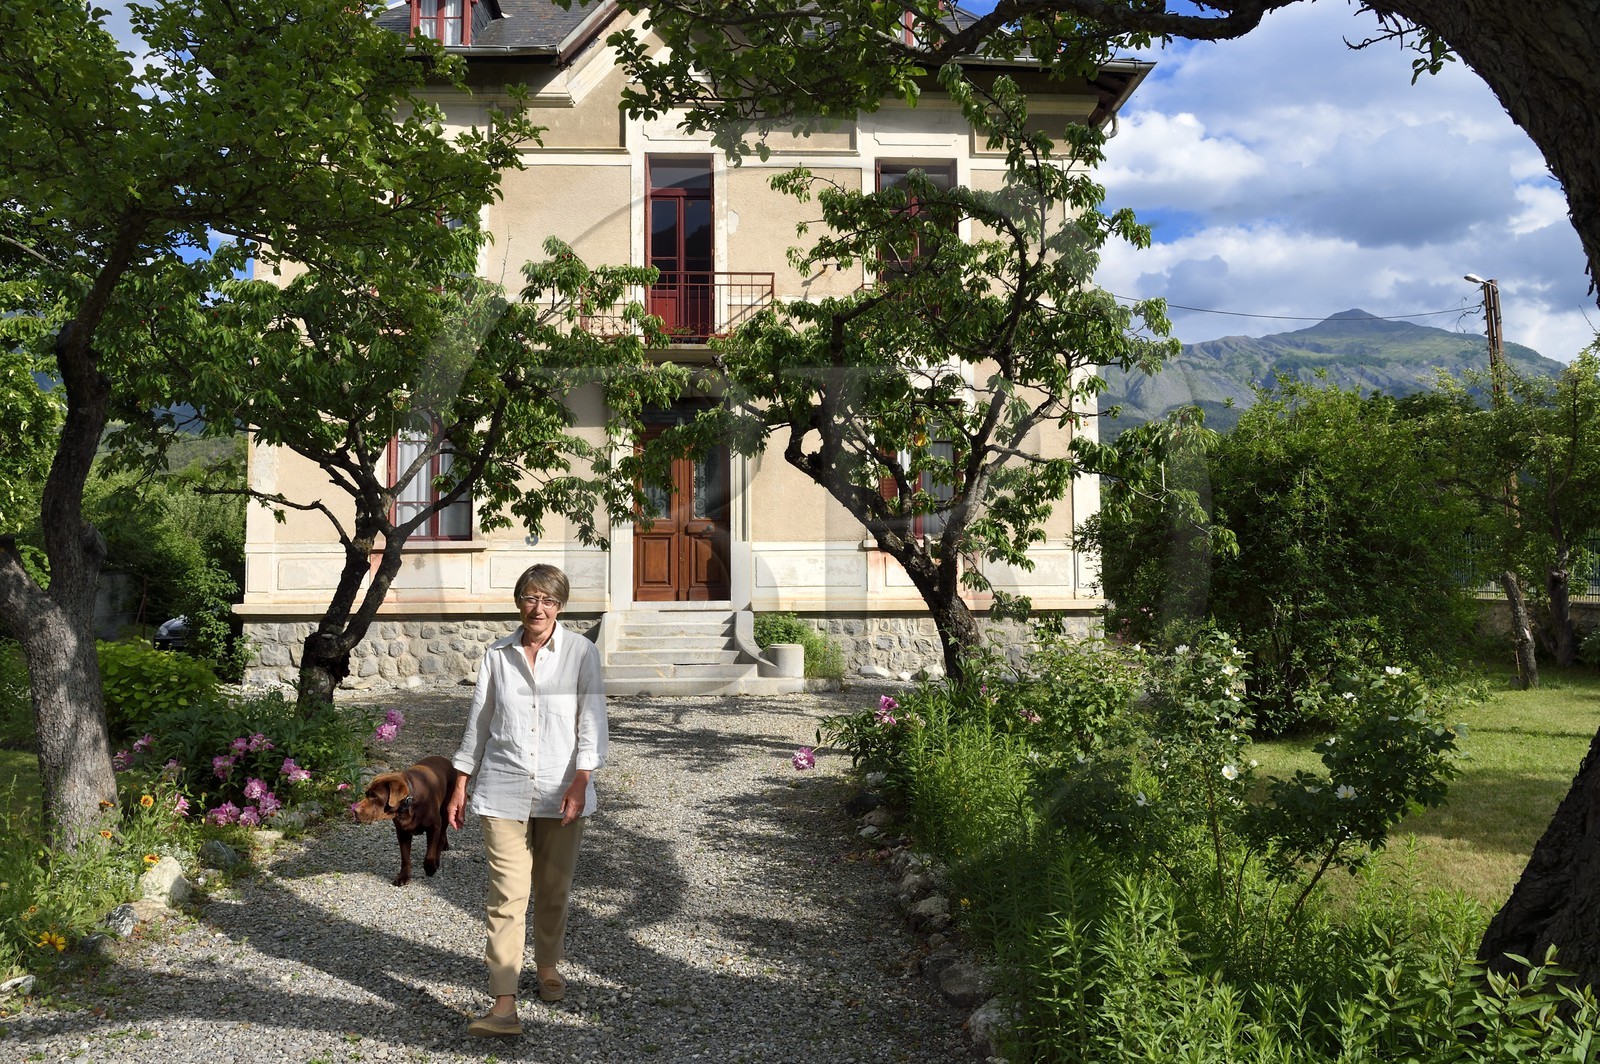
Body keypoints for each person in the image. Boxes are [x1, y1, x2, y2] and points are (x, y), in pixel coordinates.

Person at [446, 563, 607, 1039]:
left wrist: (582, 780)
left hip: (562, 791)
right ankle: (504, 1002)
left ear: (561, 606)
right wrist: (461, 781)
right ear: (519, 601)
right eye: (531, 598)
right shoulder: (497, 654)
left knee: (554, 890)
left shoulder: (581, 652)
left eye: (549, 600)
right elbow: (480, 720)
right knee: (507, 896)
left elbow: (592, 720)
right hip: (503, 789)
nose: (539, 608)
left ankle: (548, 965)